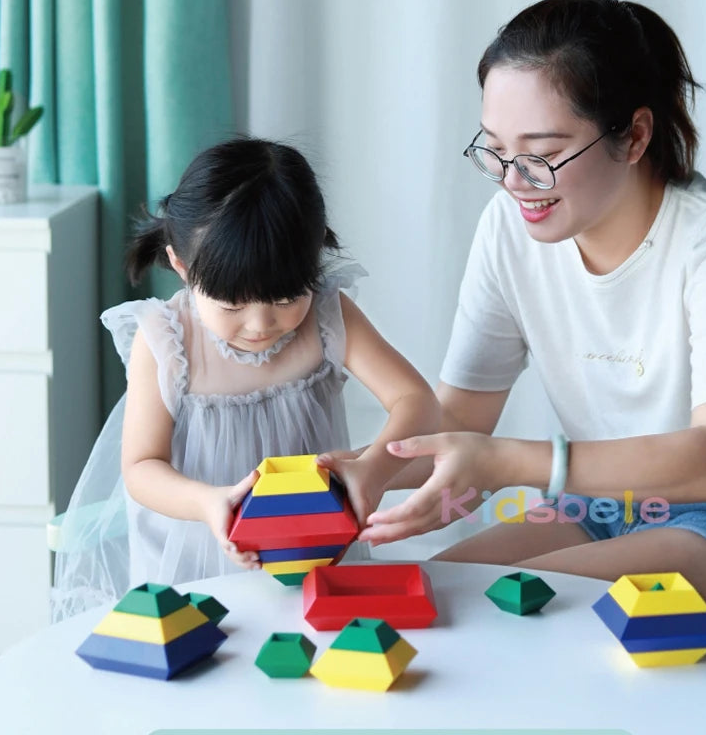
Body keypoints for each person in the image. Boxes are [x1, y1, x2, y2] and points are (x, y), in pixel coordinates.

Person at [350, 0, 706, 649]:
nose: (514, 182)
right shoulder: (508, 227)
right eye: (496, 151)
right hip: (606, 505)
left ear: (635, 136)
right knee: (430, 600)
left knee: (513, 620)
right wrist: (360, 470)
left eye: (541, 152)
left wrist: (503, 463)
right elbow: (463, 426)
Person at [52, 136, 439, 621]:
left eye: (284, 300)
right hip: (199, 562)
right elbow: (141, 469)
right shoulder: (165, 341)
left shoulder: (327, 317)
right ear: (181, 266)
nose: (261, 324)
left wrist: (373, 468)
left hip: (317, 553)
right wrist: (209, 503)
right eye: (232, 305)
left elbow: (416, 400)